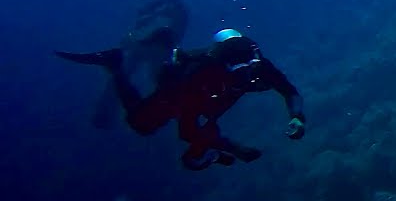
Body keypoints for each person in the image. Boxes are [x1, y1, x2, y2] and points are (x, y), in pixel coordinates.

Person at [56, 28, 306, 170]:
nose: (247, 77)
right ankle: (115, 65)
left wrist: (297, 117)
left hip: (209, 101)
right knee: (141, 123)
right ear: (223, 67)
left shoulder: (258, 65)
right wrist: (233, 148)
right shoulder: (199, 74)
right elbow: (187, 130)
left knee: (204, 135)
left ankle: (120, 63)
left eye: (250, 70)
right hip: (179, 91)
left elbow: (289, 90)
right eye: (240, 72)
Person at [91, 0, 191, 129]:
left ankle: (105, 113)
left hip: (142, 46)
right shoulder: (177, 9)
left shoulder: (152, 6)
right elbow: (177, 32)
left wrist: (130, 41)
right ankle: (163, 115)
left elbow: (137, 26)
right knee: (159, 83)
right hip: (158, 49)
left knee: (120, 77)